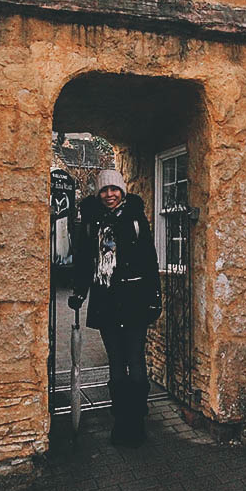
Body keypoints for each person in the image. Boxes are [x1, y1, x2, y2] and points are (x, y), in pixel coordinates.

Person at [68, 169, 163, 447]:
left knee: (135, 360)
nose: (110, 195)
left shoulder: (135, 219)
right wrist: (79, 292)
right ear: (98, 194)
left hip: (134, 300)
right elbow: (85, 260)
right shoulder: (90, 221)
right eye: (104, 190)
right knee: (117, 364)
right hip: (106, 300)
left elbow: (149, 258)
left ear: (122, 192)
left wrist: (154, 296)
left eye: (114, 190)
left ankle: (138, 417)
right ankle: (121, 419)